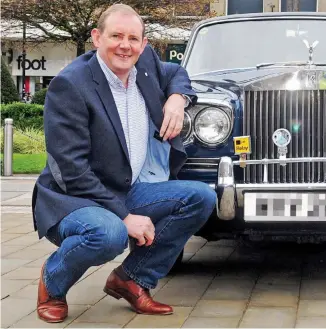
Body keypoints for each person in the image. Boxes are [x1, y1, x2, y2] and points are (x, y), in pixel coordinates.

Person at [31, 4, 217, 323]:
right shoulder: (71, 85)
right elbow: (72, 171)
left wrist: (177, 98)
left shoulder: (143, 67)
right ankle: (53, 282)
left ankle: (132, 279)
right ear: (96, 38)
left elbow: (176, 73)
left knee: (201, 197)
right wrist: (126, 216)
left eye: (133, 38)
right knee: (110, 233)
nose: (124, 45)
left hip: (123, 189)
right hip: (73, 197)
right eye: (116, 36)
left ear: (144, 45)